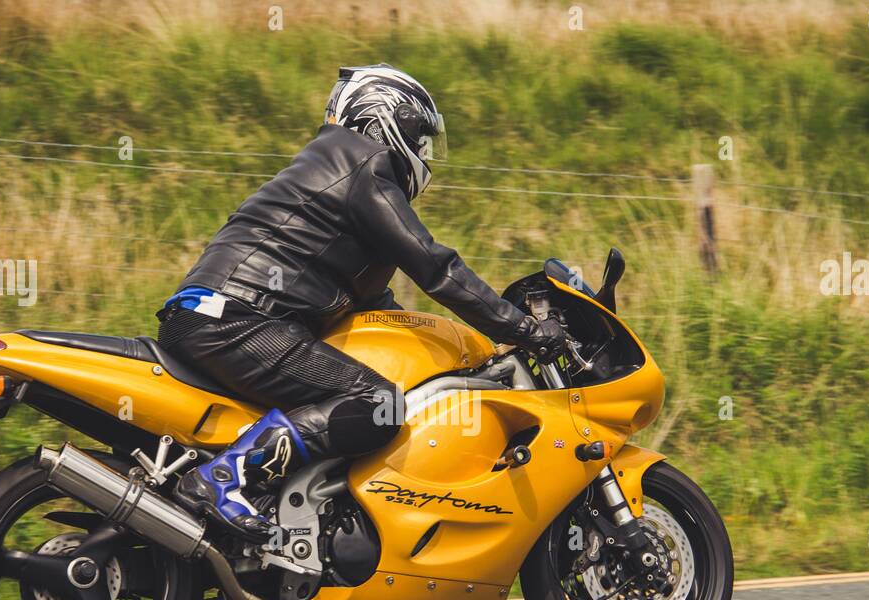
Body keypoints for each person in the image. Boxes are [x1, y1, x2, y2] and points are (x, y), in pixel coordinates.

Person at [163, 63, 568, 543]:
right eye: (419, 134)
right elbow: (436, 268)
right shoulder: (360, 159)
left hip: (222, 315)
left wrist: (480, 350)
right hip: (237, 318)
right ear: (379, 118)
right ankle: (223, 480)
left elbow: (381, 312)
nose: (422, 151)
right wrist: (521, 329)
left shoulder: (335, 174)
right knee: (375, 403)